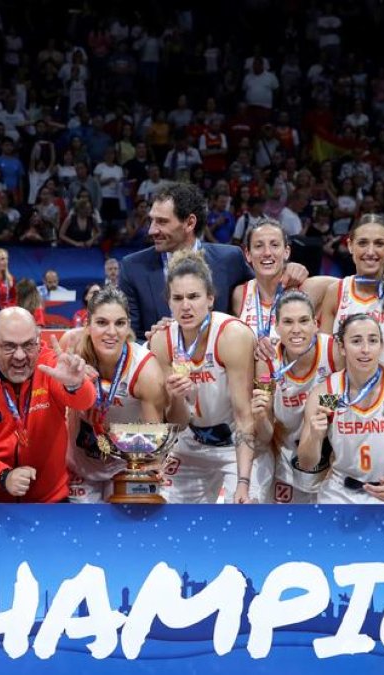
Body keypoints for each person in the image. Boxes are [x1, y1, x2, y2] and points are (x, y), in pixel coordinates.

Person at [148, 250, 265, 504]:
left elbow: (244, 416)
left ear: (210, 299)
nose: (185, 305)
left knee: (246, 510)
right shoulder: (161, 342)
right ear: (168, 302)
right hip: (190, 443)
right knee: (164, 508)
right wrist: (178, 398)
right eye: (177, 298)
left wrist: (243, 484)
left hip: (233, 444)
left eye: (193, 296)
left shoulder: (232, 335)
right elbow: (177, 423)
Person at [0, 307, 97, 502]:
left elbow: (84, 402)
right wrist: (4, 476)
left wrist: (75, 384)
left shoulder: (51, 364)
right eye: (9, 346)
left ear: (38, 341)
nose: (20, 356)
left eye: (29, 345)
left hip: (47, 500)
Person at [297, 313, 384, 505]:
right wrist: (315, 437)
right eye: (356, 341)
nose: (366, 349)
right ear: (342, 347)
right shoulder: (328, 394)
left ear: (382, 346)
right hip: (342, 493)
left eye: (373, 340)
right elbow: (306, 463)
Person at [62, 287, 177, 502]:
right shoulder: (71, 349)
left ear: (128, 326)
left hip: (125, 466)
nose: (112, 332)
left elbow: (155, 436)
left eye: (120, 323)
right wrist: (72, 384)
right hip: (78, 463)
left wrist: (154, 465)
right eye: (102, 322)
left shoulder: (145, 370)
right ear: (87, 325)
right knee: (82, 533)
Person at [118, 182, 255, 338]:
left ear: (190, 223)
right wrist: (154, 343)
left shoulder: (230, 259)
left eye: (162, 222)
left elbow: (265, 298)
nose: (152, 230)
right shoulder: (132, 268)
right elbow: (129, 338)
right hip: (159, 360)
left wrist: (287, 273)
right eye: (152, 221)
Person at [246, 291, 341, 504]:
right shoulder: (267, 362)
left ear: (316, 324)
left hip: (333, 460)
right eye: (288, 322)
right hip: (285, 460)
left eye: (304, 321)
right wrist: (261, 417)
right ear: (277, 327)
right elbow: (264, 436)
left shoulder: (334, 351)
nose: (296, 330)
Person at [319, 214, 384, 369]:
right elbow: (324, 361)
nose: (370, 251)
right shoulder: (336, 291)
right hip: (347, 391)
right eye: (362, 243)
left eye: (379, 244)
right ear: (350, 245)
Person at [232, 220, 335, 340]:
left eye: (274, 245)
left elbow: (353, 285)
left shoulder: (309, 288)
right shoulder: (239, 294)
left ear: (286, 252)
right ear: (248, 254)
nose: (267, 252)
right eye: (259, 246)